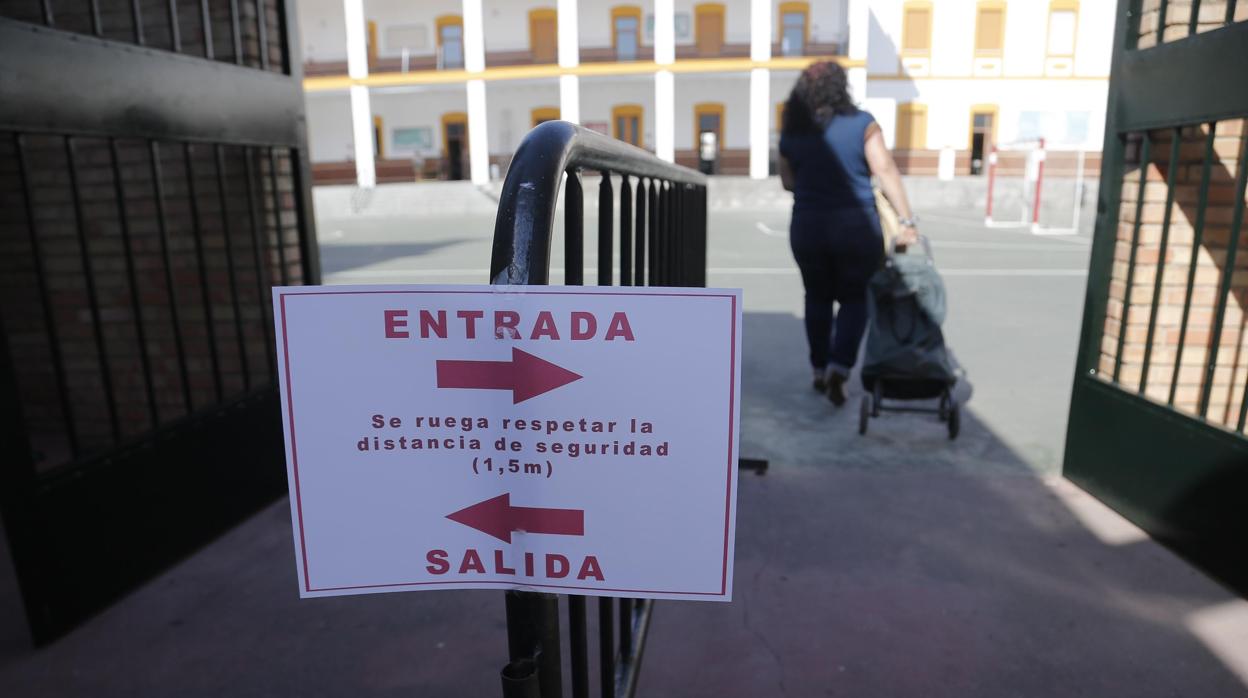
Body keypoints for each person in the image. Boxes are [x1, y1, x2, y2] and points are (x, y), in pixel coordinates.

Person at [779, 61, 920, 406]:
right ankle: (840, 367)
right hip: (856, 226)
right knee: (856, 299)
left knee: (817, 297)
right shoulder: (862, 124)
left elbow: (787, 182)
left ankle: (817, 368)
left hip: (808, 225)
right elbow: (884, 169)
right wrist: (906, 221)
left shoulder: (793, 130)